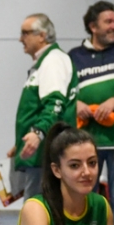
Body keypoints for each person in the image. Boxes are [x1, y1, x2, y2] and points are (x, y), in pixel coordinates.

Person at [69, 0, 114, 225]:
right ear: (92, 27)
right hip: (86, 142)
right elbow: (64, 91)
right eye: (109, 22)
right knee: (84, 196)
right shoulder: (75, 57)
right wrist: (76, 104)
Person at [11, 14, 78, 201]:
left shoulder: (53, 61)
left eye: (25, 33)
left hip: (47, 153)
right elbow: (37, 109)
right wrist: (22, 139)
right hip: (42, 152)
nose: (20, 39)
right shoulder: (44, 63)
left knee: (36, 210)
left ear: (42, 36)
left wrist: (38, 133)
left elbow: (55, 103)